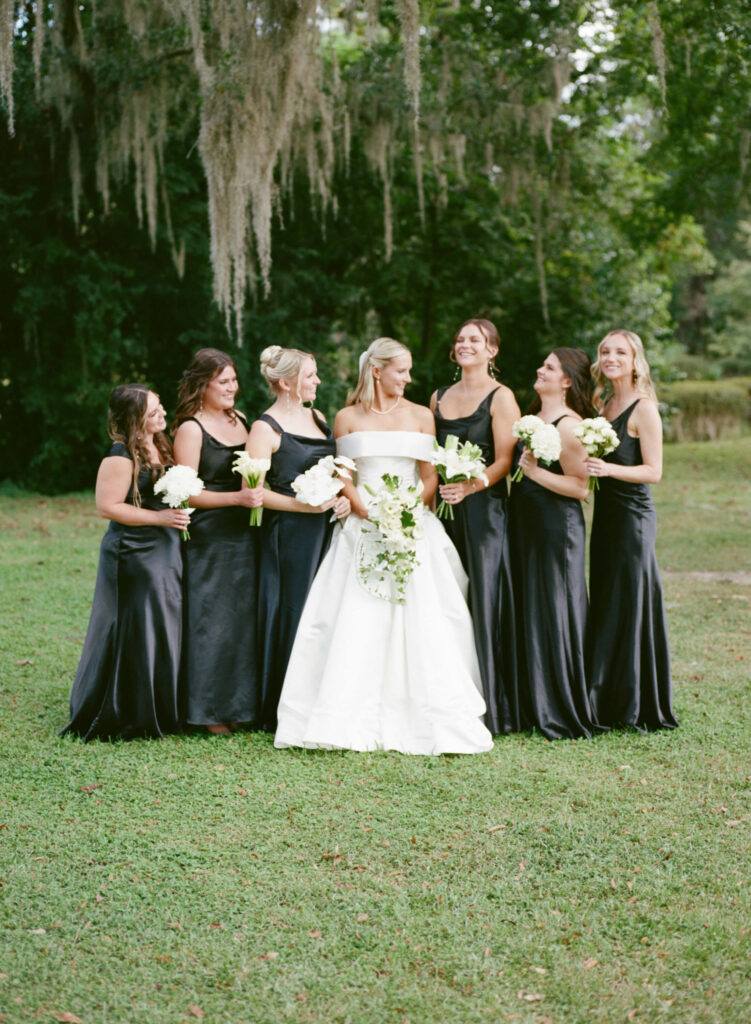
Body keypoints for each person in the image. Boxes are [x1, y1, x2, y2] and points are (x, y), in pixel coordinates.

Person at [274, 338, 493, 755]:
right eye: (401, 370)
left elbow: (428, 476)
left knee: (426, 614)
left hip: (413, 525)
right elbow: (345, 475)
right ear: (376, 370)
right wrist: (367, 513)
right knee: (355, 617)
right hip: (362, 525)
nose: (408, 378)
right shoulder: (345, 418)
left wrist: (406, 511)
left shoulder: (421, 416)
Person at [61, 385, 188, 741]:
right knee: (130, 626)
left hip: (165, 549)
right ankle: (118, 709)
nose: (162, 414)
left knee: (158, 624)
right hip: (132, 550)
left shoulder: (160, 444)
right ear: (134, 419)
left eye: (160, 406)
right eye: (153, 411)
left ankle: (157, 706)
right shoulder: (119, 456)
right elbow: (108, 506)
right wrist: (161, 520)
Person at [246, 346, 349, 731]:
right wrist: (306, 507)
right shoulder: (265, 428)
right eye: (310, 375)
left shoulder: (319, 417)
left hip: (325, 530)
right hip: (288, 534)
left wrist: (338, 499)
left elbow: (333, 469)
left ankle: (320, 698)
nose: (318, 381)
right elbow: (252, 491)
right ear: (286, 382)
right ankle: (284, 705)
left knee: (325, 610)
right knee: (295, 609)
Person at [431, 318, 522, 734]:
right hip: (442, 512)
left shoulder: (501, 398)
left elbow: (505, 460)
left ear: (492, 350)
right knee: (445, 596)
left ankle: (492, 704)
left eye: (475, 340)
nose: (465, 345)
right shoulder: (437, 397)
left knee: (482, 596)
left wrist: (469, 486)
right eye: (460, 339)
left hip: (485, 509)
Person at [585, 329, 678, 731]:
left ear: (635, 359)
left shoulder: (643, 408)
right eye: (605, 351)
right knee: (607, 599)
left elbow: (653, 472)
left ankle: (634, 702)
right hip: (605, 517)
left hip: (633, 519)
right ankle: (604, 694)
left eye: (620, 351)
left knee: (630, 601)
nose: (611, 357)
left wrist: (608, 469)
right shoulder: (603, 404)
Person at [173, 348, 262, 734]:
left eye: (234, 380)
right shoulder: (191, 429)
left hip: (247, 532)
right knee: (212, 621)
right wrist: (236, 499)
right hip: (210, 535)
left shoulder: (240, 419)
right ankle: (207, 711)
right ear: (202, 384)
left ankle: (240, 705)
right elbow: (185, 492)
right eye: (223, 382)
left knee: (242, 622)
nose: (232, 388)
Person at [509, 348, 597, 739]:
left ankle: (560, 705)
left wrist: (533, 473)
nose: (539, 369)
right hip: (526, 522)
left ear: (566, 381)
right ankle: (532, 701)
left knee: (556, 608)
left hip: (556, 527)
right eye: (541, 363)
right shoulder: (534, 417)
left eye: (549, 367)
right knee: (533, 606)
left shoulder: (569, 425)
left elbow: (580, 488)